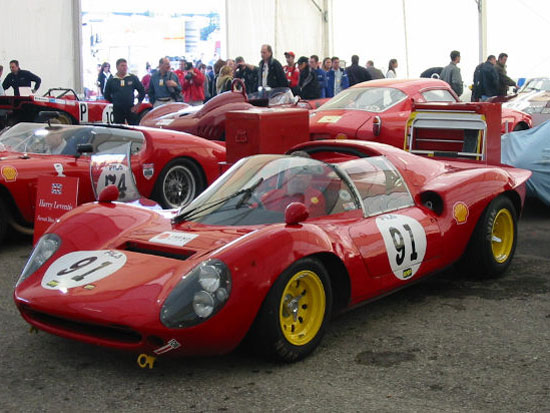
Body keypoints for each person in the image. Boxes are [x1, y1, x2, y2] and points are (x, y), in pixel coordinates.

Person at [103, 58, 146, 125]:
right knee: (119, 128)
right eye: (122, 65)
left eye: (125, 66)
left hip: (131, 108)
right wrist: (114, 101)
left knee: (134, 128)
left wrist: (138, 105)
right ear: (117, 67)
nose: (124, 67)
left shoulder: (132, 78)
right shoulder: (111, 80)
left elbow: (142, 91)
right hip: (117, 109)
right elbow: (106, 95)